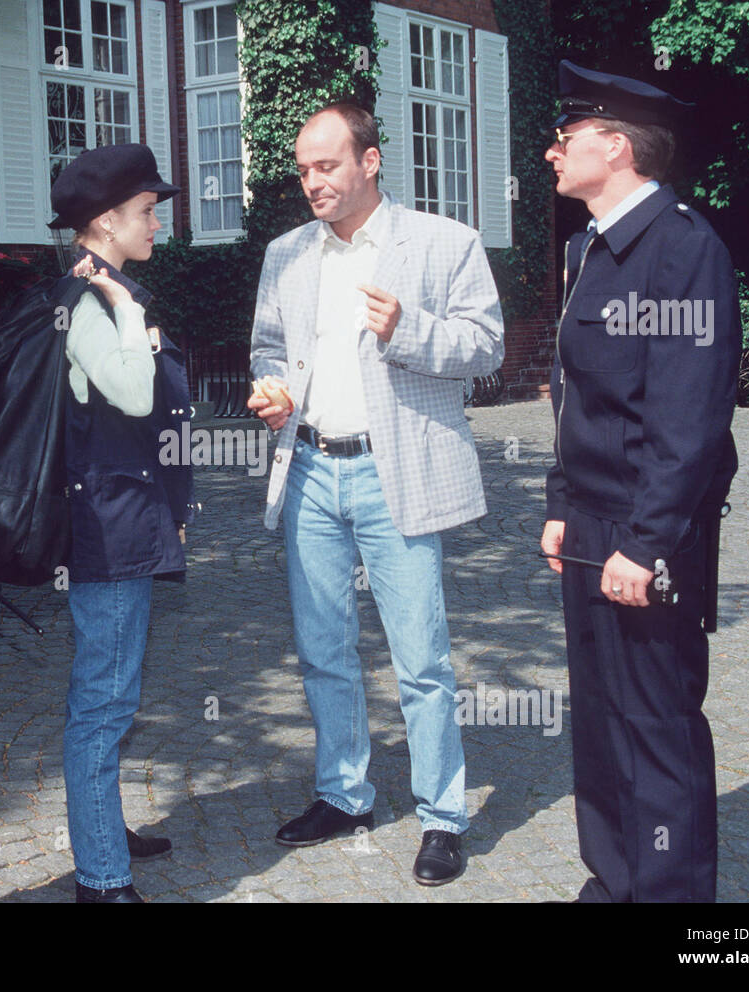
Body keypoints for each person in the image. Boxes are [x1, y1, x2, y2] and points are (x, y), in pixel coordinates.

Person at [248, 103, 504, 886]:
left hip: (398, 475)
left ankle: (442, 817)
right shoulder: (286, 253)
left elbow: (486, 346)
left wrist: (409, 328)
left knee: (420, 656)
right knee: (324, 648)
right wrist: (273, 393)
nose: (311, 181)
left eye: (326, 165)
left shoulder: (444, 242)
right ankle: (344, 794)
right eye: (302, 168)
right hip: (311, 475)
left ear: (371, 160)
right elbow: (268, 347)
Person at [540, 61, 741, 902]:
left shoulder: (683, 248)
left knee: (655, 724)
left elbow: (688, 420)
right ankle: (614, 879)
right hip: (589, 524)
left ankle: (669, 897)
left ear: (616, 146)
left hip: (644, 532)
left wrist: (647, 543)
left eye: (567, 136)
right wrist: (559, 507)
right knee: (600, 721)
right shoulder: (590, 246)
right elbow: (579, 394)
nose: (552, 151)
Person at [46, 144, 197, 904]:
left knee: (116, 694)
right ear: (104, 221)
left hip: (127, 524)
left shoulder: (102, 294)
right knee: (104, 703)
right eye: (146, 210)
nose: (157, 222)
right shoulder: (89, 303)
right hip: (103, 535)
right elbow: (134, 395)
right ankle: (101, 877)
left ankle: (103, 827)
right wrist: (129, 311)